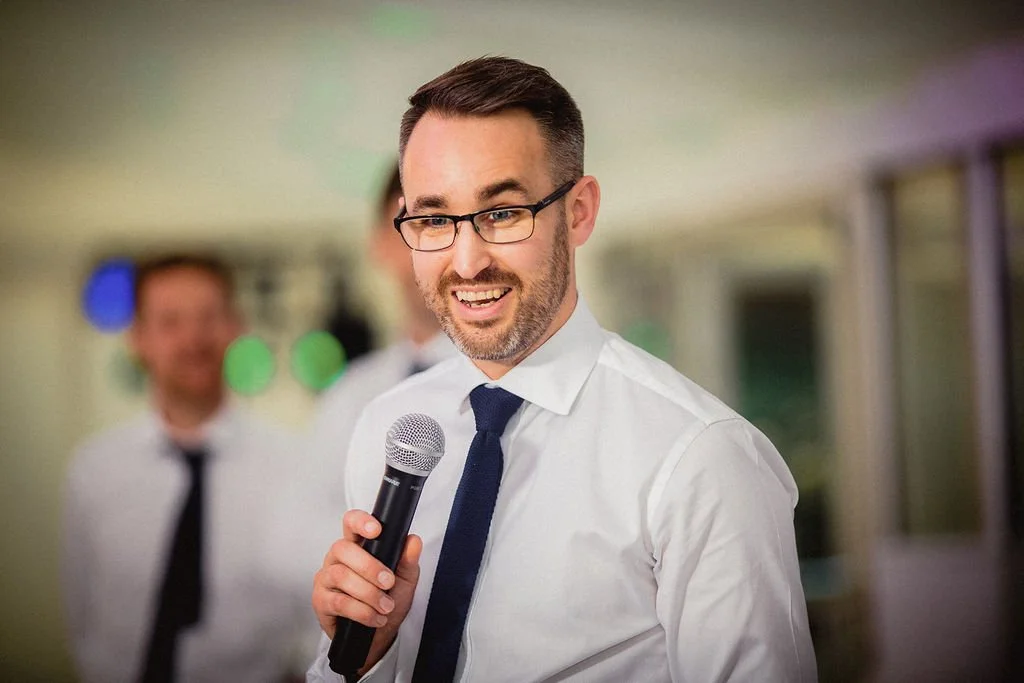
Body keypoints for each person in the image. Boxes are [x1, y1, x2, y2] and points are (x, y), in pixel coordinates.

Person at [308, 57, 817, 682]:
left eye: (501, 213)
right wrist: (361, 657)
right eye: (435, 220)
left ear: (578, 212)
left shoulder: (701, 458)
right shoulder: (390, 425)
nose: (466, 263)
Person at [61, 254, 300, 683]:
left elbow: (308, 619)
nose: (193, 338)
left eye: (208, 317)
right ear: (137, 338)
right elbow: (80, 616)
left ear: (235, 327)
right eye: (170, 321)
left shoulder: (291, 466)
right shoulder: (93, 470)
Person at [267, 163, 455, 664]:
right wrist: (366, 559)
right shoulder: (350, 395)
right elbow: (287, 538)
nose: (428, 247)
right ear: (379, 242)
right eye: (416, 223)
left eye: (445, 224)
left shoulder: (506, 387)